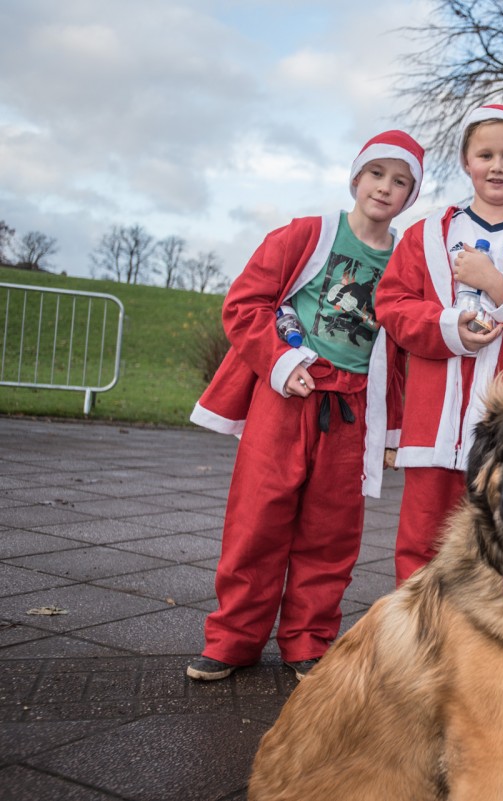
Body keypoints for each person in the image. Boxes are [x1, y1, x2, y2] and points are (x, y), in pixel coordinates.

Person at [186, 130, 425, 682]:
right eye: (377, 174)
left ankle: (308, 642)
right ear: (355, 178)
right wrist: (282, 362)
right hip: (286, 397)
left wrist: (391, 434)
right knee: (257, 520)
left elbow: (402, 352)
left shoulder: (407, 259)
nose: (385, 188)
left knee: (331, 532)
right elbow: (246, 303)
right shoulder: (307, 234)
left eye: (400, 181)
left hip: (353, 410)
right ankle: (231, 641)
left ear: (410, 196)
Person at [375, 104, 503, 581]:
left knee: (500, 544)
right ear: (466, 161)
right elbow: (393, 305)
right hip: (433, 423)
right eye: (485, 154)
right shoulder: (426, 235)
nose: (497, 166)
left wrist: (500, 288)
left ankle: (486, 650)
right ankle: (421, 650)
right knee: (422, 545)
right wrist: (447, 326)